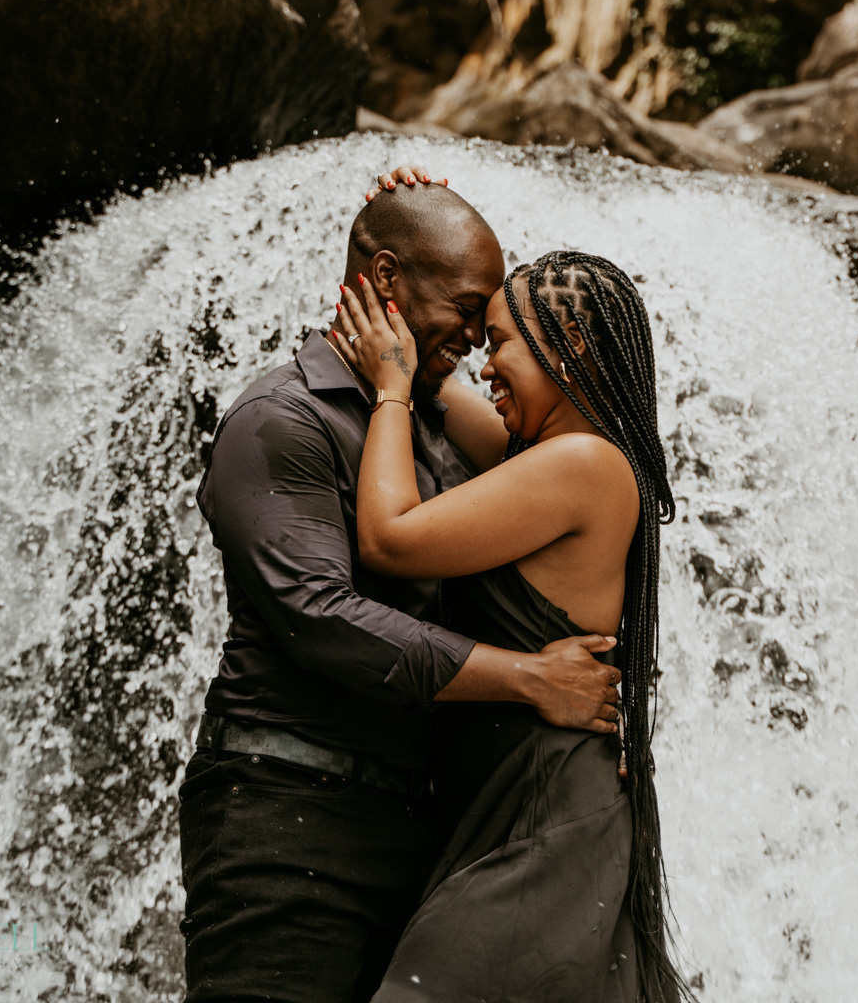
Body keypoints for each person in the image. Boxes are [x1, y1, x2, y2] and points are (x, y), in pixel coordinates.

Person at [180, 167, 625, 1003]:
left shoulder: (434, 423)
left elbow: (571, 491)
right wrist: (527, 676)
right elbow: (321, 618)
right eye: (468, 309)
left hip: (432, 832)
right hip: (287, 815)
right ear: (386, 280)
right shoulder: (284, 418)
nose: (481, 340)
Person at [329, 231, 688, 1002]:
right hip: (514, 804)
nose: (481, 364)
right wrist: (390, 237)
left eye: (498, 345)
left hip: (543, 813)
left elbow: (389, 538)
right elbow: (424, 370)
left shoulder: (582, 465)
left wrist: (389, 395)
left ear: (571, 349)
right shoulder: (546, 455)